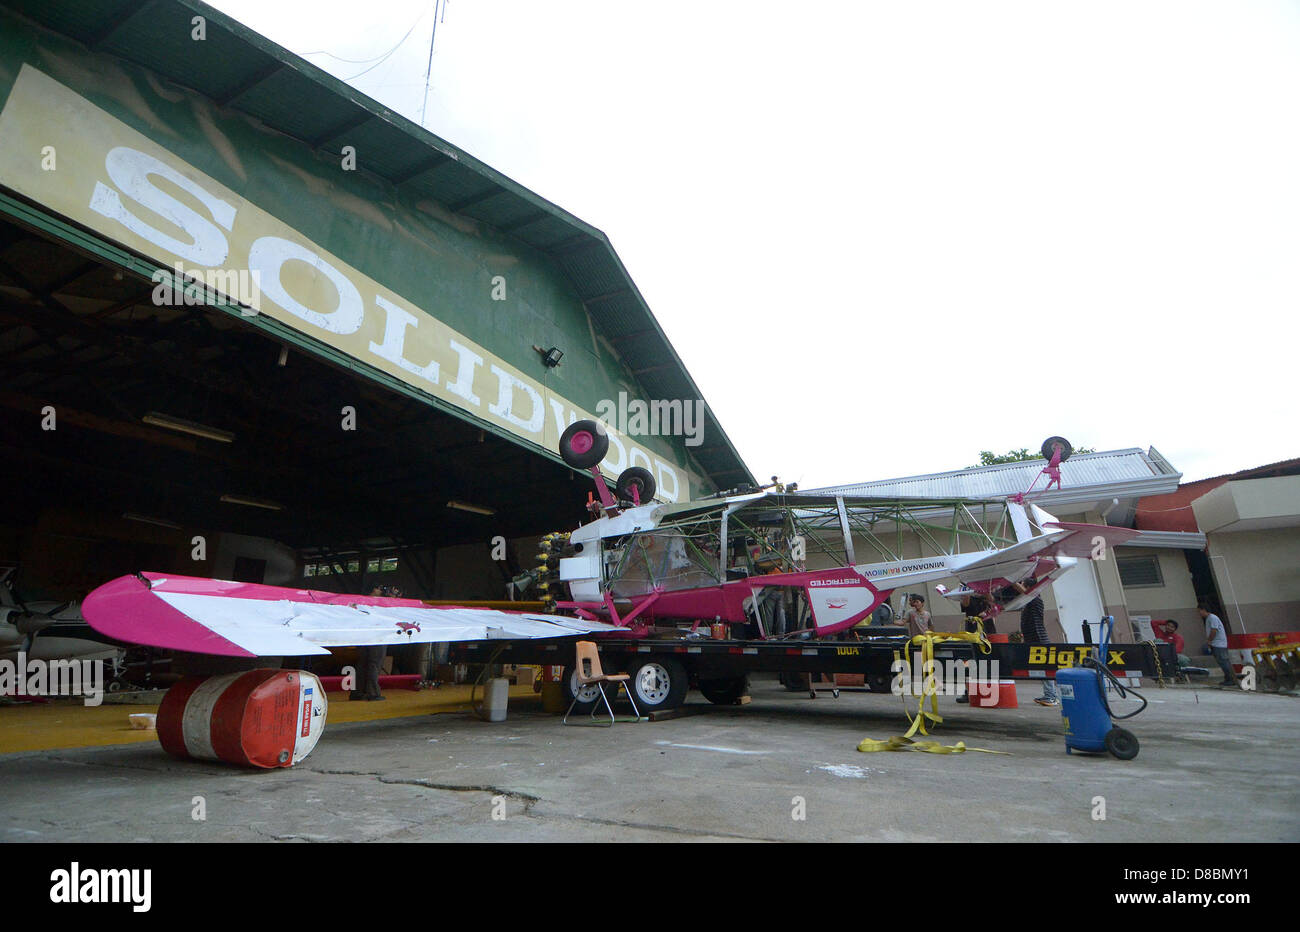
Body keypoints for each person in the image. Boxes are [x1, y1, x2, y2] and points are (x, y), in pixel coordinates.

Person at [1198, 603, 1236, 687]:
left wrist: (1209, 640)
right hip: (1216, 643)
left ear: (1203, 609)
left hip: (1219, 644)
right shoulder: (1209, 618)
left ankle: (1231, 679)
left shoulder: (1212, 618)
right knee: (1222, 662)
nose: (1199, 613)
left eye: (1200, 611)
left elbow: (1214, 630)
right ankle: (1228, 678)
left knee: (1224, 662)